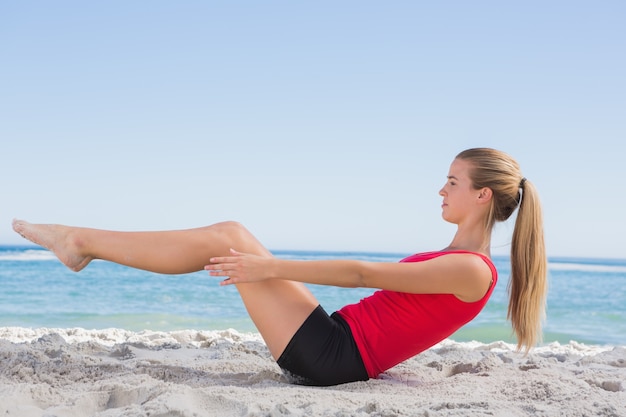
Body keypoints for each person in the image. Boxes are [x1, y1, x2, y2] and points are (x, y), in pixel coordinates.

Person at [12, 147, 547, 386]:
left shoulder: (474, 270)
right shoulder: (460, 260)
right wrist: (264, 267)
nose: (440, 188)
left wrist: (266, 269)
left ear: (481, 195)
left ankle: (79, 242)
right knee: (233, 234)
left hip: (333, 357)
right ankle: (82, 242)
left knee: (229, 238)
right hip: (337, 341)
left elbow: (364, 274)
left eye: (452, 181)